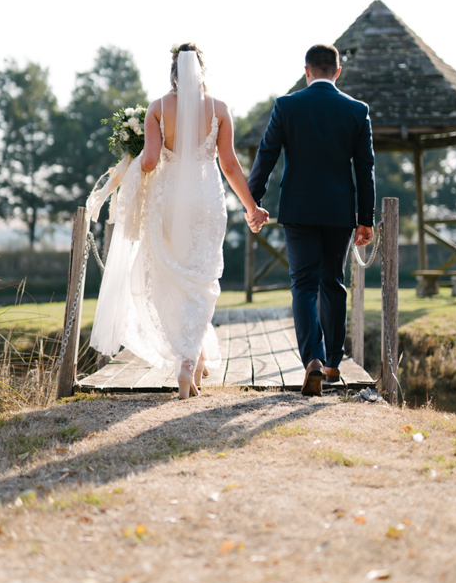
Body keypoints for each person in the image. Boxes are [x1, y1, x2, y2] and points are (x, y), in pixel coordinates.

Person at [90, 44, 268, 399]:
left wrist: (133, 156)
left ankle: (189, 361)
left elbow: (151, 162)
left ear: (173, 71)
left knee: (173, 278)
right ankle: (191, 363)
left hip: (168, 200)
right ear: (202, 70)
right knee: (201, 281)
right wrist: (252, 207)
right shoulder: (219, 109)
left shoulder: (157, 108)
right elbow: (230, 165)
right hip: (206, 199)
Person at [246, 44, 375, 396]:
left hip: (299, 211)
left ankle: (312, 361)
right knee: (332, 282)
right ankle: (334, 362)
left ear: (306, 71)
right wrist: (366, 219)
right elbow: (365, 168)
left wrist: (252, 202)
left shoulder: (287, 106)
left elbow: (266, 155)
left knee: (303, 285)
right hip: (338, 213)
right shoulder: (356, 110)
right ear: (337, 72)